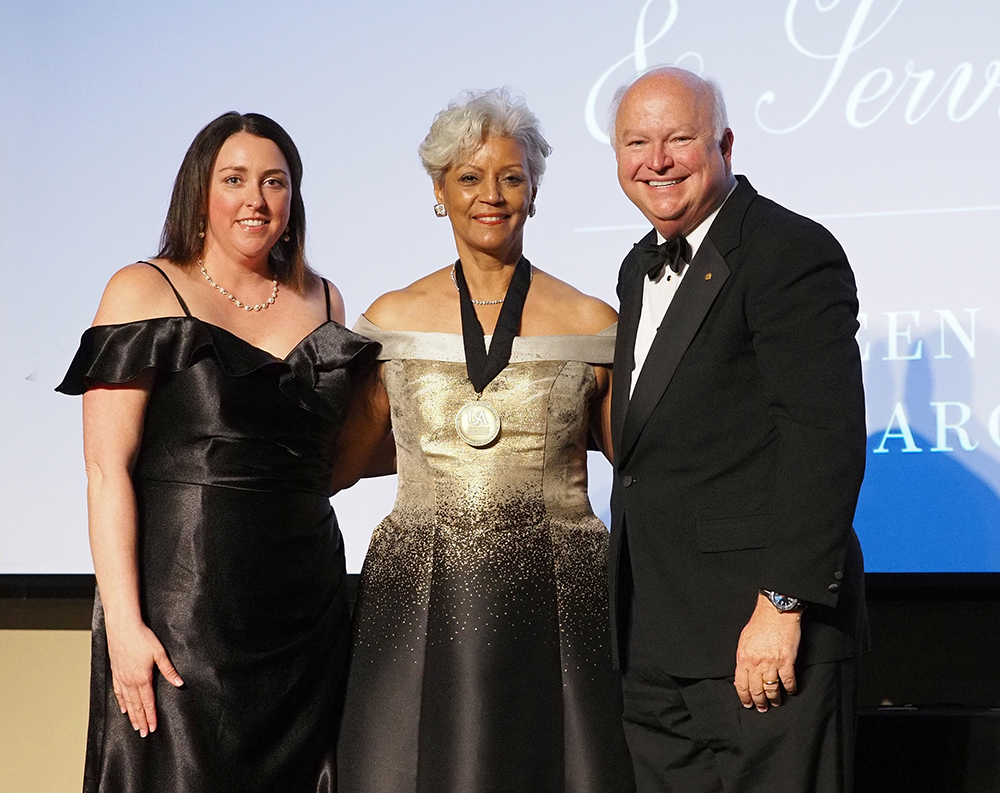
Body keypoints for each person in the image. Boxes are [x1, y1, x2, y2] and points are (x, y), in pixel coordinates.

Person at [57, 112, 378, 793]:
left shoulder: (326, 299)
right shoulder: (143, 289)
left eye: (274, 182)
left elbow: (324, 462)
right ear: (200, 191)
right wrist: (124, 623)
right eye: (234, 180)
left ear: (294, 199)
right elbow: (104, 469)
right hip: (184, 620)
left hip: (305, 616)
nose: (255, 200)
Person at [333, 88, 635, 793]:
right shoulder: (391, 318)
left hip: (560, 596)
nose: (491, 195)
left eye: (511, 176)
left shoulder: (592, 320)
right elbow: (343, 463)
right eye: (470, 177)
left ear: (533, 190)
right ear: (439, 190)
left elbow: (645, 463)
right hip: (416, 595)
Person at [607, 67, 868, 792]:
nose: (655, 160)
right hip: (656, 645)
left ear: (723, 143)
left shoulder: (788, 250)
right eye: (636, 142)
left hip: (762, 641)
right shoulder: (636, 266)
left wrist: (782, 605)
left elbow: (825, 438)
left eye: (678, 138)